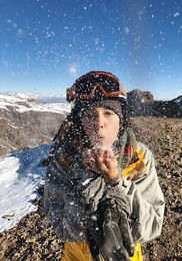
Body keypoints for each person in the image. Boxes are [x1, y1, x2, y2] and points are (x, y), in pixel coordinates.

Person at [44, 71, 165, 261]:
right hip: (76, 256)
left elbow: (152, 226)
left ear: (121, 120)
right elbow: (59, 225)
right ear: (80, 121)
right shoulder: (64, 160)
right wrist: (85, 183)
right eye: (90, 114)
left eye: (108, 113)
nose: (99, 123)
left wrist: (116, 182)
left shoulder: (138, 158)